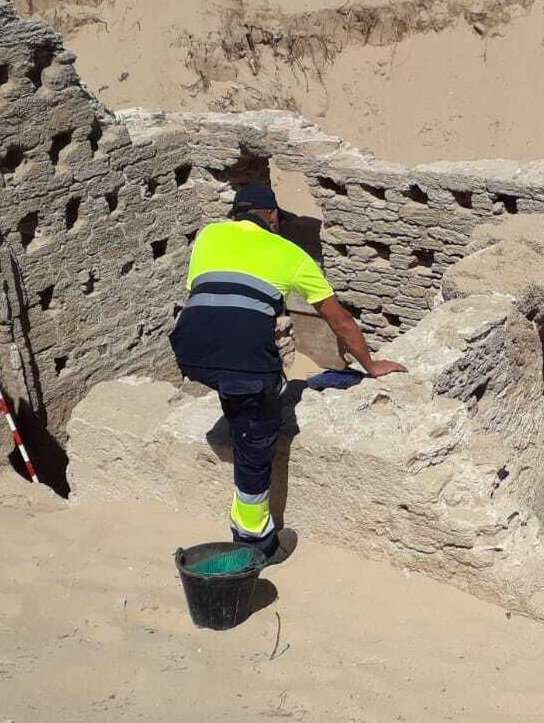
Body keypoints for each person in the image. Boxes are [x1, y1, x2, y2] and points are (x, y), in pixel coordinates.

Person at [169, 184, 405, 563]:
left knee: (242, 388)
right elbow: (340, 321)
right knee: (255, 440)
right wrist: (371, 366)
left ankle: (238, 411)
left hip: (190, 351)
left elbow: (213, 300)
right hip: (241, 360)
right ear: (272, 215)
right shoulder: (290, 254)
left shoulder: (208, 236)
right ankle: (256, 540)